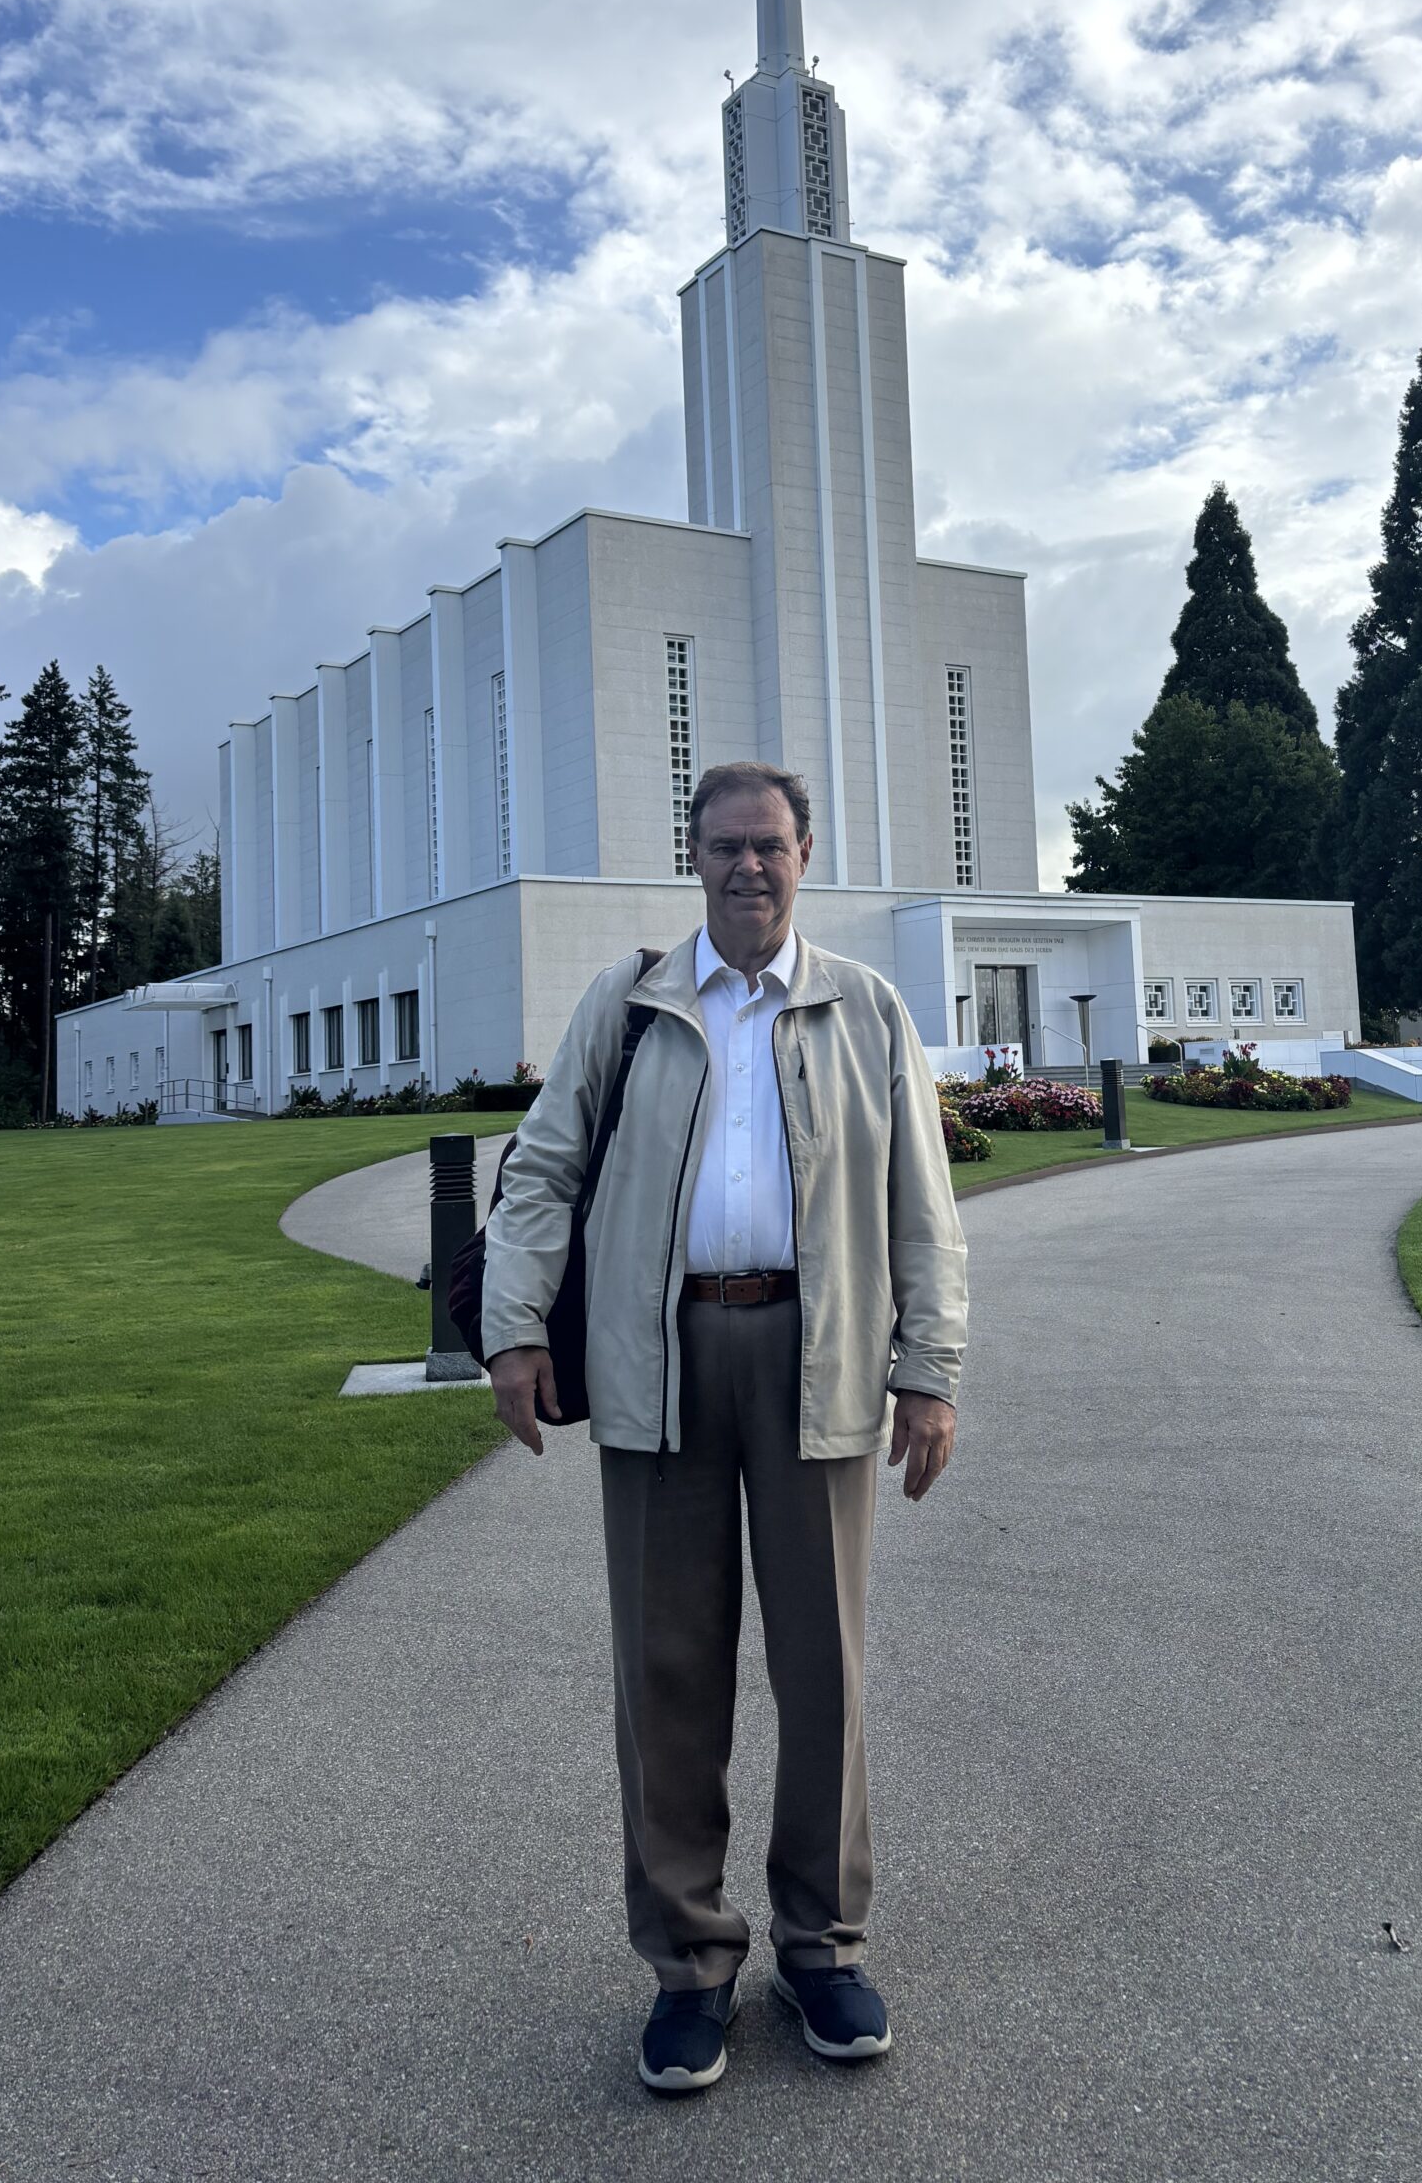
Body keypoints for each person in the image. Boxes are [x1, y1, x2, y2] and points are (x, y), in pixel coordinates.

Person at [480, 759, 967, 2093]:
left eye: (771, 844)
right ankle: (690, 1963)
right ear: (692, 857)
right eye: (725, 846)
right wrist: (515, 1328)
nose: (748, 866)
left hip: (820, 1361)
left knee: (826, 1674)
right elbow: (543, 1170)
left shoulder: (864, 1008)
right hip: (660, 1364)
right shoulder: (631, 1003)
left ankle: (823, 1946)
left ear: (806, 855)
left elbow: (921, 1204)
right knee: (667, 1674)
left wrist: (929, 1371)